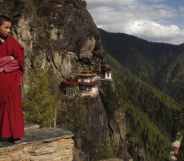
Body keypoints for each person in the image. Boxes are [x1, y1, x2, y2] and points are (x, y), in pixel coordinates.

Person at [0, 15, 25, 145]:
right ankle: (4, 134)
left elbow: (20, 60)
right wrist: (7, 59)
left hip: (12, 81)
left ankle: (15, 134)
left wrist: (5, 65)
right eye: (6, 27)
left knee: (14, 108)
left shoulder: (12, 41)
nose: (9, 30)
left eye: (10, 28)